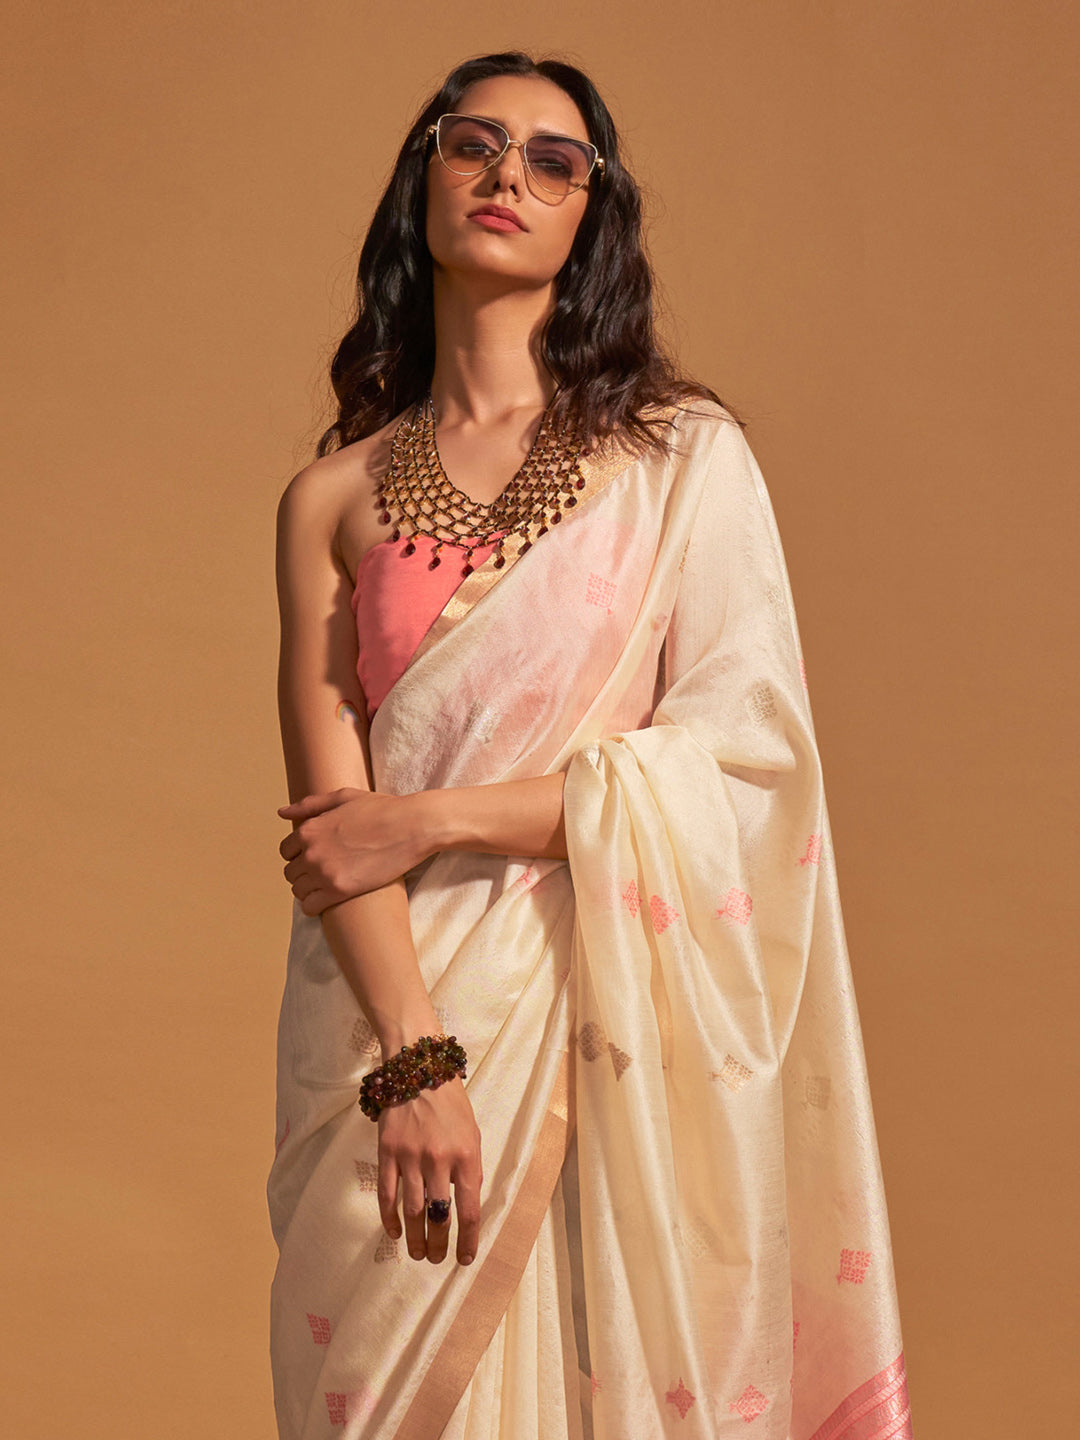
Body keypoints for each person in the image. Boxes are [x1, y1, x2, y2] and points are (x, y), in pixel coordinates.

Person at [267, 48, 913, 1440]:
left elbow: (740, 765)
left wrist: (433, 816)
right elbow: (333, 830)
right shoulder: (331, 497)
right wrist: (416, 1064)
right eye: (473, 143)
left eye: (553, 160)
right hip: (391, 1014)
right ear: (424, 181)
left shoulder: (680, 461)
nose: (508, 173)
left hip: (615, 1022)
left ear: (590, 214)